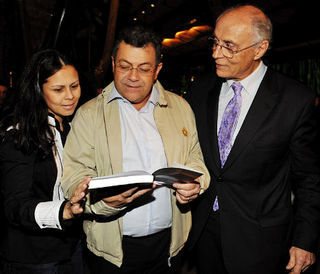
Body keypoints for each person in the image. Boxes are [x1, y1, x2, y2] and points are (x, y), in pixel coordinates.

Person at [61, 25, 210, 274]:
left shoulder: (181, 108)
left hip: (171, 246)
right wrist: (103, 202)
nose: (133, 76)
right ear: (113, 64)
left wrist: (195, 185)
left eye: (144, 68)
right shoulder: (88, 114)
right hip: (111, 252)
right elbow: (73, 176)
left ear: (157, 70)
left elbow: (195, 159)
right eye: (125, 66)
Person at [186, 4, 320, 274]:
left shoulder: (295, 100)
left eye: (229, 46)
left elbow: (310, 178)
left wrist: (304, 241)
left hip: (260, 241)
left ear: (260, 49)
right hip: (203, 234)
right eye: (215, 42)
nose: (216, 53)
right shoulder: (200, 90)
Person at [0, 49, 89, 274]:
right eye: (58, 89)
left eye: (74, 86)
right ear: (38, 91)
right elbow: (15, 205)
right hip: (34, 256)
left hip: (73, 246)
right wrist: (64, 211)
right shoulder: (19, 135)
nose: (70, 96)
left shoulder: (72, 128)